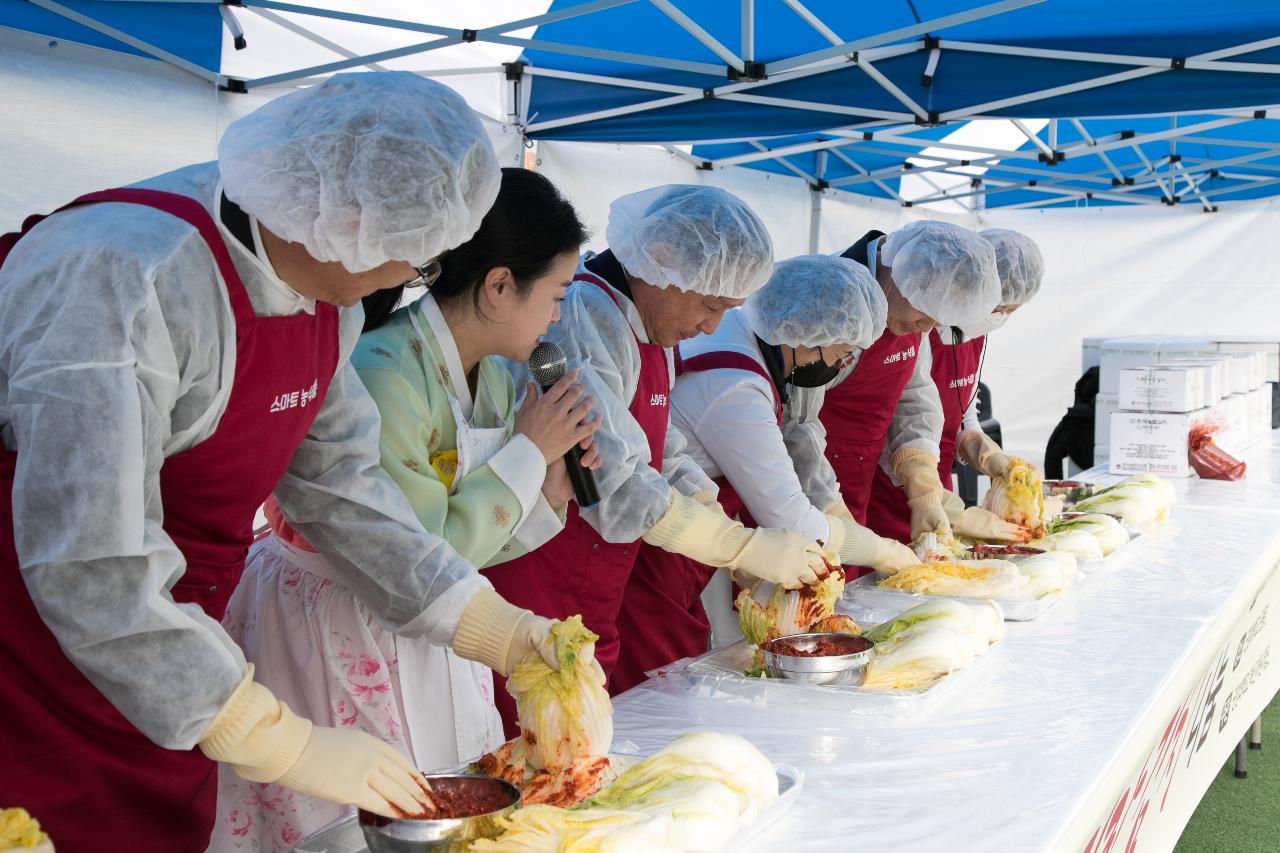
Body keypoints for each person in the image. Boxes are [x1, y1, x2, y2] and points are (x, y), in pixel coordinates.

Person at [0, 73, 583, 849]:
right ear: (344, 220)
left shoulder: (325, 297)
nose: (401, 286)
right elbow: (90, 562)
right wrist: (282, 740)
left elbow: (345, 486)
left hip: (185, 649)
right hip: (37, 663)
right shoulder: (123, 276)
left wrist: (494, 628)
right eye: (411, 265)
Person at [211, 168, 599, 848]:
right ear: (500, 285)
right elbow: (410, 543)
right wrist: (527, 457)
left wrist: (546, 494)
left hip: (438, 616)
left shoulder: (502, 379)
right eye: (558, 295)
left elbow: (456, 553)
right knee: (361, 811)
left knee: (446, 797)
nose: (558, 319)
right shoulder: (383, 366)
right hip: (343, 613)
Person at [488, 185, 828, 724]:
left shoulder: (649, 331)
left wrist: (704, 499)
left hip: (598, 582)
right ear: (663, 263)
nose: (711, 327)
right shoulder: (582, 317)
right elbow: (613, 482)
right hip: (541, 574)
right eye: (709, 305)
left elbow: (657, 443)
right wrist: (736, 546)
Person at [611, 255, 922, 688]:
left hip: (690, 524)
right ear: (809, 334)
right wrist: (881, 551)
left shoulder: (751, 339)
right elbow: (791, 519)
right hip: (658, 544)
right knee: (657, 682)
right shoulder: (735, 387)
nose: (842, 362)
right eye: (843, 350)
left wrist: (717, 516)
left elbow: (677, 454)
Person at [781, 221, 1012, 557]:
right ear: (898, 273)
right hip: (805, 489)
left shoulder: (908, 302)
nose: (928, 328)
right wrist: (828, 510)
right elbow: (796, 426)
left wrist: (923, 485)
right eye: (924, 315)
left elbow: (915, 393)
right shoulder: (830, 297)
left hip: (858, 479)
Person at [865, 228, 1046, 542]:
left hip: (936, 480)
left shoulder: (974, 336)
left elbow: (963, 410)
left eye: (1008, 312)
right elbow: (892, 423)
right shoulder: (914, 324)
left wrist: (981, 449)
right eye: (997, 309)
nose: (999, 317)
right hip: (894, 485)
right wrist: (943, 504)